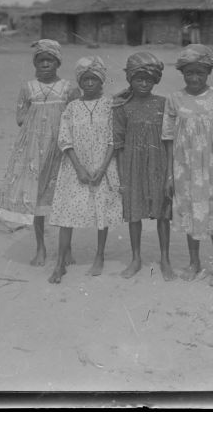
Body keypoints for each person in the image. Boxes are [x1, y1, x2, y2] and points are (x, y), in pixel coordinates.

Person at [0, 39, 79, 266]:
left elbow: (77, 115)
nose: (45, 64)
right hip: (34, 153)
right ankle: (40, 247)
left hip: (62, 150)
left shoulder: (69, 88)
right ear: (35, 63)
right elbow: (20, 117)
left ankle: (66, 249)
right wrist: (39, 123)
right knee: (38, 199)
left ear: (57, 63)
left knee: (64, 198)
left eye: (49, 60)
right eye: (41, 60)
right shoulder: (28, 87)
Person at [48, 56, 122, 284]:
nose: (89, 83)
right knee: (66, 212)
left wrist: (102, 168)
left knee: (101, 210)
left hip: (103, 165)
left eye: (94, 79)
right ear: (79, 82)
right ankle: (60, 261)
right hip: (74, 167)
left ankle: (99, 256)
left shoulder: (110, 105)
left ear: (101, 81)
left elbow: (113, 140)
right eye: (85, 79)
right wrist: (79, 168)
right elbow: (65, 139)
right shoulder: (72, 107)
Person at [161, 44, 213, 286]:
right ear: (182, 73)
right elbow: (168, 138)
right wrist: (170, 173)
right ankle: (194, 262)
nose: (194, 78)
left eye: (200, 73)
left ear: (208, 72)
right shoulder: (175, 99)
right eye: (189, 73)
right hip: (185, 166)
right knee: (191, 213)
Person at [113, 52, 175, 281]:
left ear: (156, 80)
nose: (143, 83)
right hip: (132, 165)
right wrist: (121, 178)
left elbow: (169, 141)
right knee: (134, 214)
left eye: (148, 79)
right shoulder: (121, 106)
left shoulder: (163, 104)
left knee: (163, 213)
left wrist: (169, 173)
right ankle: (136, 258)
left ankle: (165, 258)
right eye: (138, 78)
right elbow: (118, 145)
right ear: (130, 78)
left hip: (158, 164)